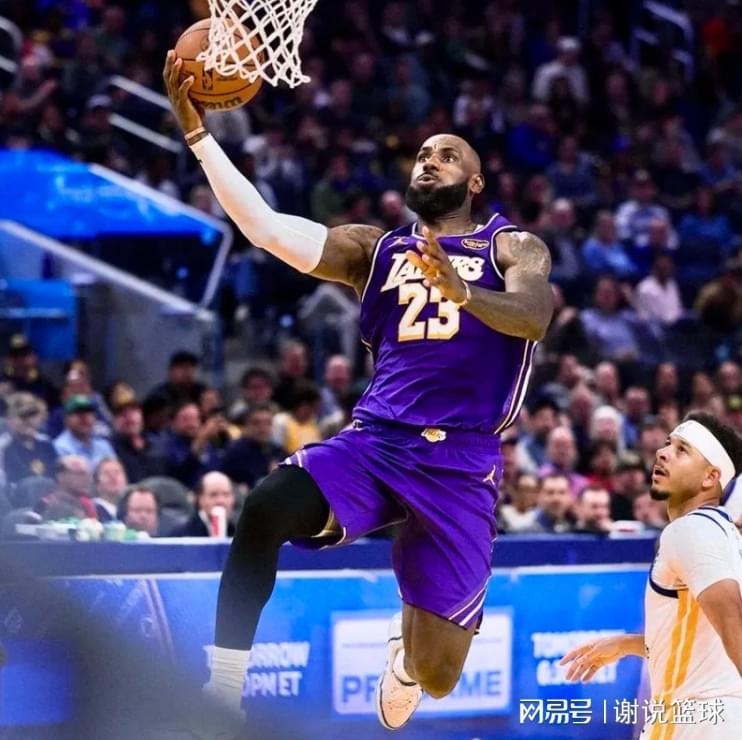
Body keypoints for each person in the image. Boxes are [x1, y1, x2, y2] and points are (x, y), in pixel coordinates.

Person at [164, 52, 553, 732]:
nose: (429, 161)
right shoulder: (376, 250)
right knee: (266, 506)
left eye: (447, 155)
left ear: (475, 181)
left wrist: (466, 293)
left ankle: (404, 661)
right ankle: (222, 689)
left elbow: (534, 316)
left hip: (461, 463)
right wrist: (198, 135)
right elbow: (267, 229)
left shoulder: (512, 246)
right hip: (377, 442)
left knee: (438, 676)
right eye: (423, 155)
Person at [561, 412, 742, 738]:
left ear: (710, 477)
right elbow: (705, 643)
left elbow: (733, 625)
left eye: (682, 450)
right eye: (668, 443)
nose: (662, 452)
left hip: (693, 720)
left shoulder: (692, 530)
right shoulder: (724, 534)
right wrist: (628, 644)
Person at [169, 471, 236, 537]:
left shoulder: (238, 531)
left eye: (226, 494)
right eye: (213, 495)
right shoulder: (181, 534)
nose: (220, 501)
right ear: (200, 499)